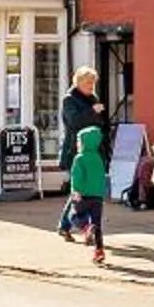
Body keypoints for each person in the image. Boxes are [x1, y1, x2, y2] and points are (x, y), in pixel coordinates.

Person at [56, 69, 108, 241]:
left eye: (93, 83)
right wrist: (93, 112)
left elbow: (98, 124)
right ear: (78, 82)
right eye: (87, 83)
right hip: (76, 150)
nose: (91, 86)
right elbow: (75, 122)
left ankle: (65, 226)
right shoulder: (69, 99)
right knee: (78, 189)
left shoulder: (93, 99)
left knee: (85, 190)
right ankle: (83, 226)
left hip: (93, 151)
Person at [67, 122, 110, 265]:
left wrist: (75, 190)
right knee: (97, 225)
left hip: (83, 194)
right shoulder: (98, 158)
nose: (78, 143)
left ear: (83, 142)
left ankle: (85, 227)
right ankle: (99, 251)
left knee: (73, 215)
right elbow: (101, 176)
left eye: (79, 141)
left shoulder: (79, 158)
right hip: (97, 196)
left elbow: (76, 176)